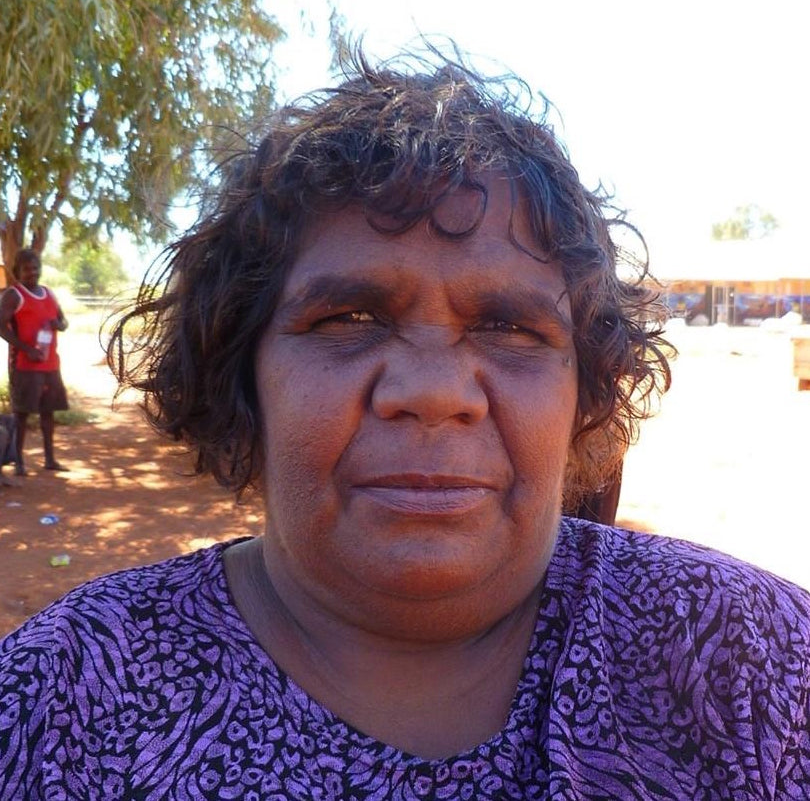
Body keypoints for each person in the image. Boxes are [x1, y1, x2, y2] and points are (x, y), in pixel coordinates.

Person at [1, 48, 808, 800]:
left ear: (584, 391)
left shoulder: (751, 659)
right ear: (241, 373)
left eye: (509, 328)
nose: (432, 393)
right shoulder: (58, 703)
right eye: (350, 317)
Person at [0, 248, 69, 475]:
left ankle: (50, 458)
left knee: (48, 412)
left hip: (50, 363)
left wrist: (60, 325)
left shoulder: (49, 293)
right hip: (24, 365)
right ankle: (19, 461)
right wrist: (26, 348)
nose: (32, 272)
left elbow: (63, 320)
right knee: (22, 414)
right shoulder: (14, 295)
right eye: (27, 269)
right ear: (17, 271)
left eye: (36, 268)